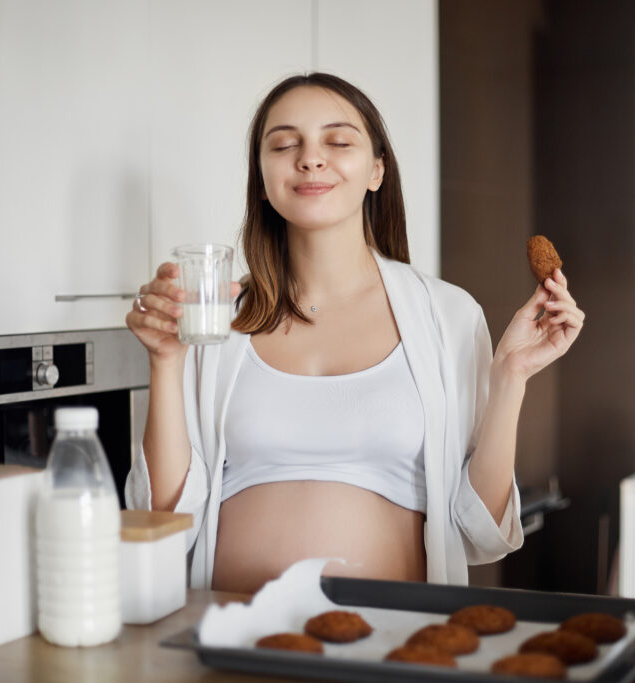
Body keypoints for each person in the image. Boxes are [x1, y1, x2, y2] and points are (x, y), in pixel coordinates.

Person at [125, 73, 584, 593]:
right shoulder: (215, 321)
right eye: (283, 144)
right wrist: (165, 361)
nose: (310, 158)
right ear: (262, 176)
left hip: (389, 645)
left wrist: (511, 378)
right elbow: (163, 521)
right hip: (235, 640)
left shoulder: (448, 316)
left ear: (376, 170)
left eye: (338, 141)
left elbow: (480, 531)